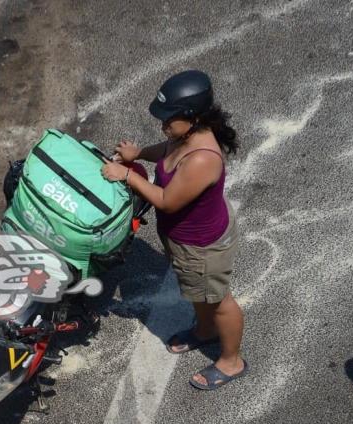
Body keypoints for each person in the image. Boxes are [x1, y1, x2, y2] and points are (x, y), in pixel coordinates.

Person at [101, 70, 246, 390]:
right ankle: (204, 331)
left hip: (203, 248)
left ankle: (231, 361)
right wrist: (137, 155)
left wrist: (125, 175)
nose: (163, 125)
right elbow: (166, 150)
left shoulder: (202, 159)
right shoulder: (183, 134)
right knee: (199, 293)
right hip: (185, 241)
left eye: (168, 119)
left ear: (192, 117)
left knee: (219, 300)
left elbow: (166, 201)